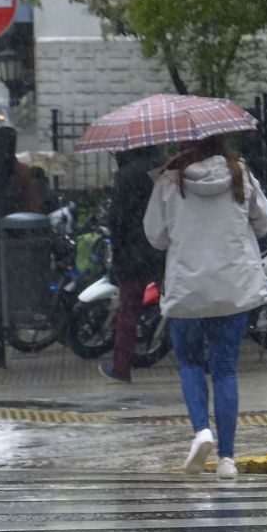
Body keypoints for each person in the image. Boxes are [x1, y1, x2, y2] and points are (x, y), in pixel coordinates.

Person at [143, 135, 267, 480]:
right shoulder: (240, 174)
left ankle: (201, 431)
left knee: (190, 364)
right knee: (226, 369)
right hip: (232, 287)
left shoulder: (170, 180)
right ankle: (227, 458)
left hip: (187, 289)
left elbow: (155, 236)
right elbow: (263, 223)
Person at [99, 147, 167, 383]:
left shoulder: (127, 174)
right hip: (159, 247)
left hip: (132, 252)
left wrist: (117, 245)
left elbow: (117, 216)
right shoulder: (163, 169)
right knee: (173, 304)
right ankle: (195, 357)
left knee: (128, 311)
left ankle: (122, 366)